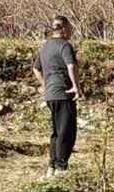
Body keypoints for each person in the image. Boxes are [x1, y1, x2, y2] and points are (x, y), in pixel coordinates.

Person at [33, 16, 81, 178]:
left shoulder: (45, 46)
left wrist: (46, 84)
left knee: (56, 131)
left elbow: (36, 69)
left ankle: (52, 166)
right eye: (70, 28)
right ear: (65, 29)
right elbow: (71, 66)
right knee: (66, 130)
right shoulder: (65, 46)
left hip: (51, 95)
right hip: (64, 93)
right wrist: (75, 86)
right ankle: (61, 166)